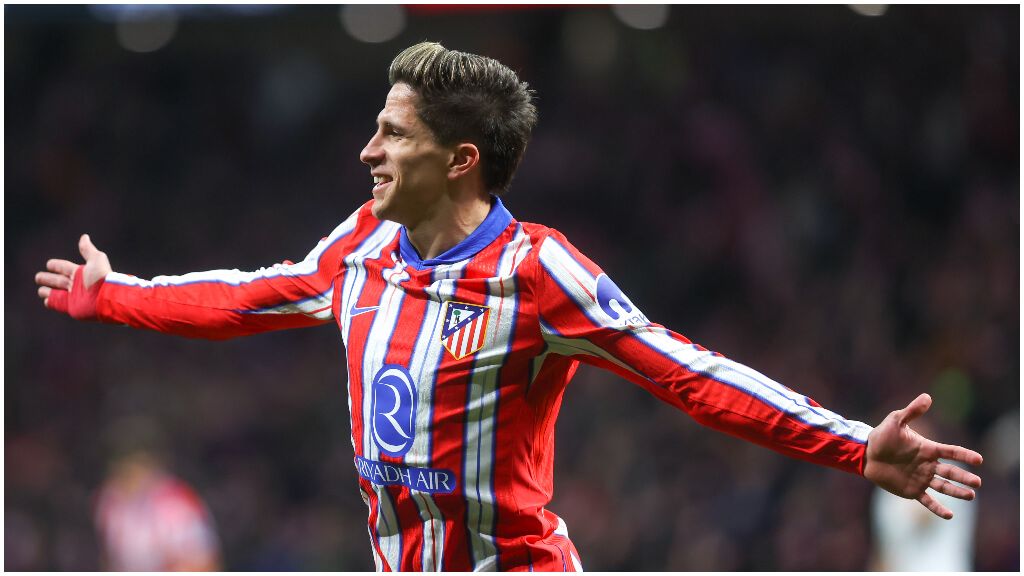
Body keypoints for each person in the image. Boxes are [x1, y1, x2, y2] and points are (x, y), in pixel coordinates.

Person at [35, 42, 983, 571]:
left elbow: (689, 374)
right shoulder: (359, 246)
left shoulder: (540, 274)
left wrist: (855, 444)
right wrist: (112, 294)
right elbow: (247, 297)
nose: (366, 149)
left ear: (459, 161)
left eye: (392, 133)